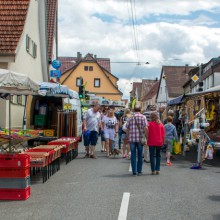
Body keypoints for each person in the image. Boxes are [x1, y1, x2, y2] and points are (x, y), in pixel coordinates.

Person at [126, 106, 148, 176]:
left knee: (133, 154)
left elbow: (127, 128)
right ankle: (139, 171)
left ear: (134, 110)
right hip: (140, 139)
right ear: (140, 110)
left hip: (132, 138)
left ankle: (134, 171)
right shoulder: (143, 117)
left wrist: (127, 137)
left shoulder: (130, 117)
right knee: (140, 154)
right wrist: (146, 137)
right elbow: (145, 128)